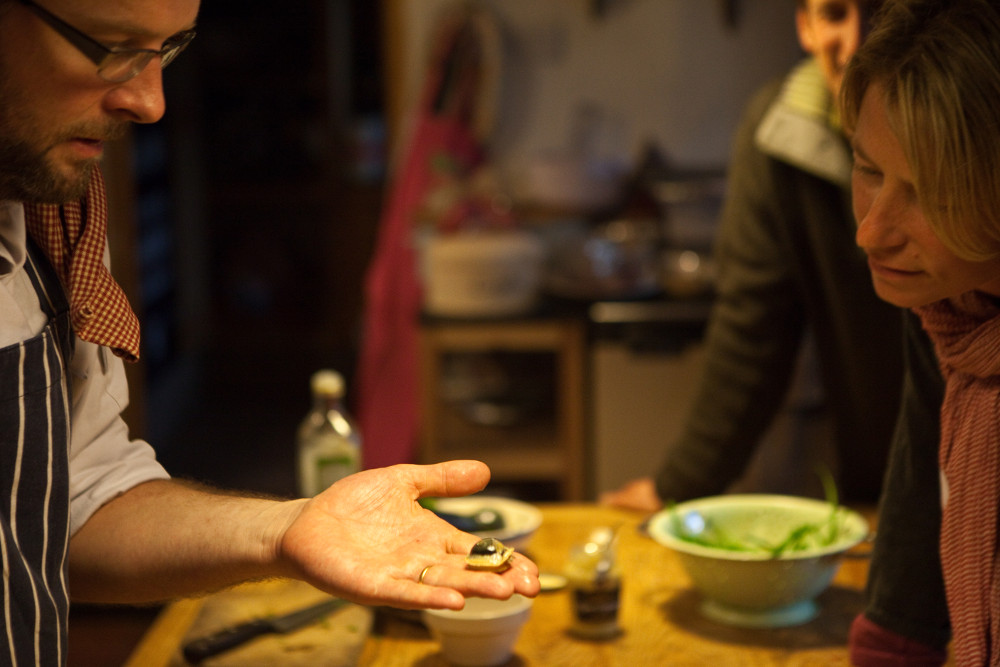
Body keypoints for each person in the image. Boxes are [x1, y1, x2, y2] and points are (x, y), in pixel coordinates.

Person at [0, 0, 539, 663]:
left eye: (165, 52)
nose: (150, 102)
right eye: (112, 46)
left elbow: (74, 500)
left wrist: (289, 528)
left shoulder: (52, 220)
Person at [602, 0, 902, 511]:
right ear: (804, 26)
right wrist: (679, 487)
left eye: (882, 11)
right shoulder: (778, 132)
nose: (857, 42)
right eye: (834, 13)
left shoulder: (966, 119)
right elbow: (751, 330)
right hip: (881, 480)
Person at [839, 0, 1000, 663]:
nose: (870, 231)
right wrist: (888, 645)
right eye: (869, 170)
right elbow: (916, 484)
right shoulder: (949, 303)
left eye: (930, 193)